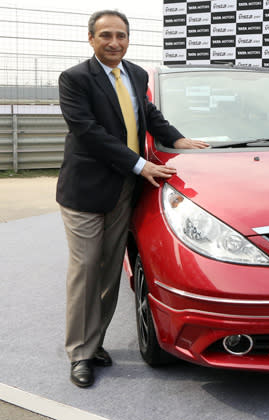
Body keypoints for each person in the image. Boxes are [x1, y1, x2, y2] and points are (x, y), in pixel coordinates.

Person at [56, 9, 207, 388]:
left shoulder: (136, 74)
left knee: (109, 272)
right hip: (86, 192)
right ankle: (80, 353)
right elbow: (88, 133)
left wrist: (178, 138)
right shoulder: (74, 79)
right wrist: (140, 165)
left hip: (123, 189)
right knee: (87, 272)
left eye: (121, 35)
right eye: (105, 35)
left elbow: (148, 115)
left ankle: (96, 341)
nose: (114, 42)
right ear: (91, 39)